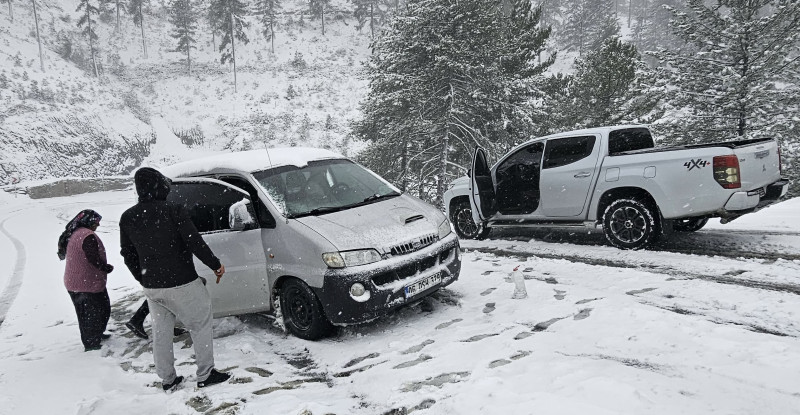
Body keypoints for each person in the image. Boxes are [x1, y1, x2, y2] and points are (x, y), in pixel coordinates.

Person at [119, 167, 230, 392]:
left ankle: (168, 379)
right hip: (183, 282)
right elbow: (194, 242)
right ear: (159, 186)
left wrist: (144, 278)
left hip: (153, 287)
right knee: (200, 324)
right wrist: (215, 265)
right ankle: (206, 373)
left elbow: (127, 255)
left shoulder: (128, 217)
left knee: (161, 332)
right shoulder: (173, 210)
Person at [58, 209, 114, 352]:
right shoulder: (87, 235)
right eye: (96, 222)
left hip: (79, 282)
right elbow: (93, 258)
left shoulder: (76, 232)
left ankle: (96, 334)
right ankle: (91, 344)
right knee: (91, 314)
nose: (98, 225)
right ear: (88, 221)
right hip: (84, 283)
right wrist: (105, 267)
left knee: (98, 310)